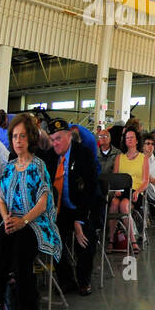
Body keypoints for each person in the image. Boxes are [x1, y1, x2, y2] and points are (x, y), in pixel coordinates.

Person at [0, 113, 60, 310]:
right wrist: (6, 218)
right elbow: (1, 198)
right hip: (12, 219)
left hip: (35, 222)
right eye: (14, 137)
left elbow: (43, 202)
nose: (18, 141)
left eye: (22, 136)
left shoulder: (38, 166)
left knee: (20, 254)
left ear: (30, 139)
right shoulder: (9, 168)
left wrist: (23, 220)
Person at [44, 119, 98, 296]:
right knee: (52, 236)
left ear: (69, 136)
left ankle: (84, 280)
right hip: (60, 210)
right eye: (52, 139)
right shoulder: (50, 157)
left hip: (83, 207)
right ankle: (66, 280)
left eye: (58, 138)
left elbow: (90, 190)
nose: (55, 143)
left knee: (85, 237)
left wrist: (79, 219)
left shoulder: (84, 155)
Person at [110, 126, 147, 254]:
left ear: (137, 140)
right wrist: (115, 190)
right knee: (114, 204)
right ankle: (111, 239)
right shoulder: (120, 158)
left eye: (132, 138)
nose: (129, 140)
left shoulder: (143, 158)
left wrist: (137, 191)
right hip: (121, 190)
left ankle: (133, 240)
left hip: (135, 191)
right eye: (127, 138)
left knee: (124, 205)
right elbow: (114, 178)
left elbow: (145, 181)